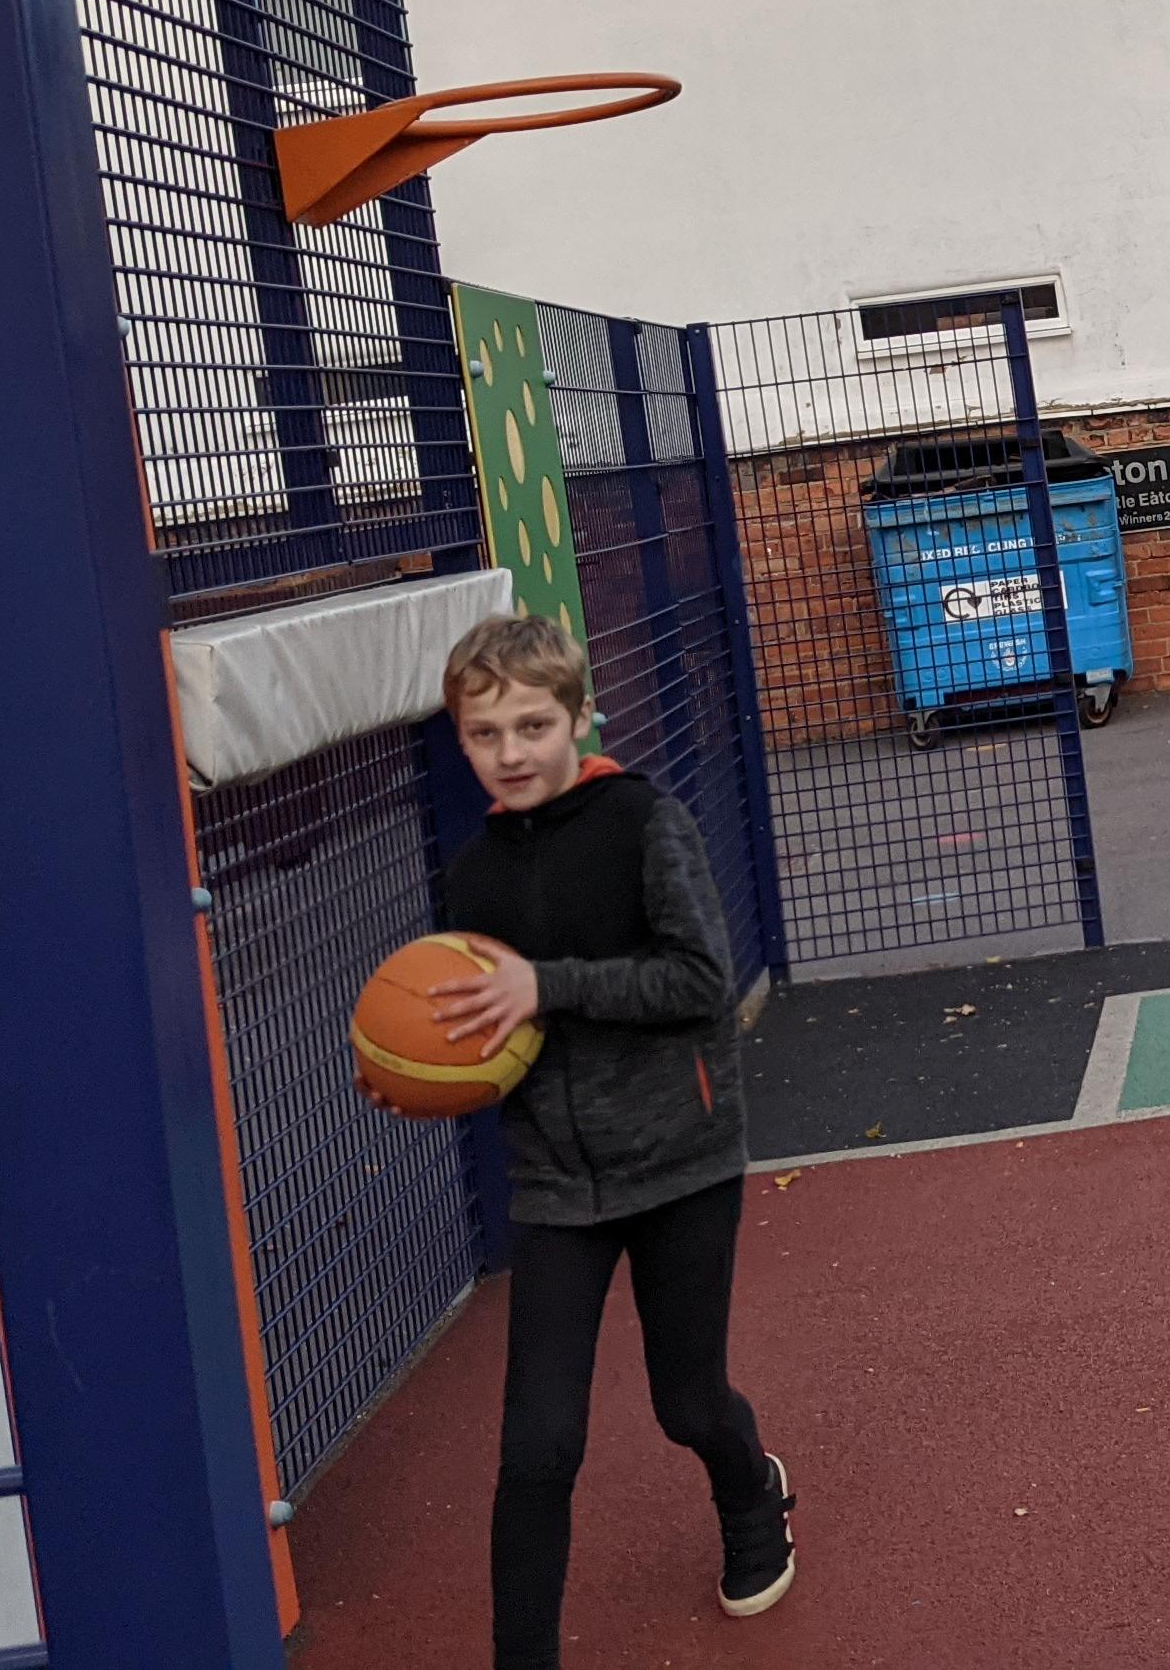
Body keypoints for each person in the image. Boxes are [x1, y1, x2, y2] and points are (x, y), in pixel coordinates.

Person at [424, 614, 796, 1668]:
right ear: (461, 739)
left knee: (688, 1403)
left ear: (579, 718)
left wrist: (547, 986)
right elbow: (479, 1027)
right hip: (556, 1183)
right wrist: (420, 1069)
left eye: (532, 725)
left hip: (681, 1162)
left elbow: (698, 981)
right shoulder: (471, 875)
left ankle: (751, 1487)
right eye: (484, 733)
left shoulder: (643, 824)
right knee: (537, 1446)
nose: (510, 752)